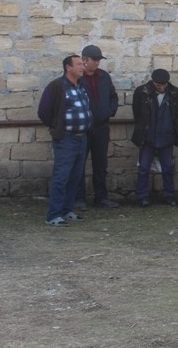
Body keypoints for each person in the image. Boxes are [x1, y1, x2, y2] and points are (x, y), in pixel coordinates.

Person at [37, 55, 93, 226]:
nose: (83, 67)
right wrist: (56, 128)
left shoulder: (82, 86)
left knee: (75, 177)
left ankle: (67, 210)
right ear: (68, 67)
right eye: (78, 64)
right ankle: (54, 215)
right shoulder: (57, 86)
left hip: (82, 138)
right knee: (61, 176)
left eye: (83, 64)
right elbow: (44, 111)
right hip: (66, 139)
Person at [131, 68, 178, 207]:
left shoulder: (174, 93)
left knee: (168, 168)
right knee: (144, 168)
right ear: (153, 83)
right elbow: (137, 113)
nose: (162, 87)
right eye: (158, 85)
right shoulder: (142, 92)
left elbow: (175, 114)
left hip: (166, 135)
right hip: (148, 136)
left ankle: (169, 195)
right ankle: (142, 196)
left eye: (164, 84)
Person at [76, 44, 119, 209]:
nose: (97, 63)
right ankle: (78, 198)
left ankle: (101, 197)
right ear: (85, 60)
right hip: (82, 128)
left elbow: (112, 96)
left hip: (101, 126)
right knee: (79, 164)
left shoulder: (104, 77)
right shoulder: (78, 78)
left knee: (100, 164)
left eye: (99, 60)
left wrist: (110, 111)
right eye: (95, 60)